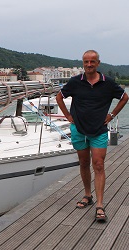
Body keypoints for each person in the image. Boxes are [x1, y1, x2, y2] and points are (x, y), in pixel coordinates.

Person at [56, 50, 128, 222]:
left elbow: (124, 98)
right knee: (83, 163)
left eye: (92, 62)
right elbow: (59, 97)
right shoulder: (75, 82)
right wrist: (68, 116)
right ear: (83, 63)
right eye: (86, 62)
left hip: (99, 130)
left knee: (99, 164)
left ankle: (100, 205)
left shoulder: (108, 83)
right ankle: (88, 195)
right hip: (79, 129)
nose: (89, 65)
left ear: (98, 63)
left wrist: (111, 115)